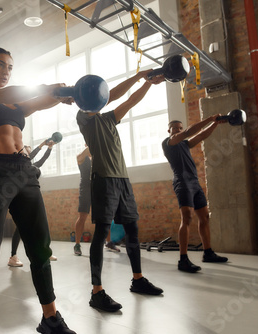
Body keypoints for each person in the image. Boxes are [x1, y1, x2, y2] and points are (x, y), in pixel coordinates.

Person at [0, 47, 76, 334]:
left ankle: (50, 318)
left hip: (24, 171)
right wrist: (46, 87)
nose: (6, 71)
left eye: (10, 67)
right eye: (1, 65)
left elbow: (38, 102)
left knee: (40, 248)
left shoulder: (15, 107)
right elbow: (10, 93)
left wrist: (62, 94)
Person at [76, 70, 164, 313]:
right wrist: (138, 75)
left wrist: (149, 82)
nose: (101, 98)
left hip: (122, 180)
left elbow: (131, 100)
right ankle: (97, 292)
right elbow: (113, 95)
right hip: (103, 180)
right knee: (101, 233)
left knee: (132, 229)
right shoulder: (84, 118)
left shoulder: (109, 119)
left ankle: (137, 280)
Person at [162, 117, 228, 273]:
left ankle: (208, 253)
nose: (178, 130)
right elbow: (188, 132)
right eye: (175, 128)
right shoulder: (168, 143)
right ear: (169, 131)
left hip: (194, 183)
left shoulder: (185, 144)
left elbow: (201, 135)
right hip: (182, 183)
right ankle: (183, 260)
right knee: (187, 218)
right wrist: (209, 118)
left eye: (179, 127)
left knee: (204, 217)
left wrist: (215, 124)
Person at [8, 140, 59, 267]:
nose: (29, 151)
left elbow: (43, 159)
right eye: (27, 149)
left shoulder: (34, 166)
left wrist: (49, 148)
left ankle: (44, 253)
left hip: (31, 200)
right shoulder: (20, 164)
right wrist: (41, 145)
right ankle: (13, 256)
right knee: (20, 229)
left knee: (39, 226)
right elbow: (31, 155)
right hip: (20, 199)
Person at [73, 146, 91, 256]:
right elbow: (82, 155)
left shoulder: (97, 157)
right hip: (85, 189)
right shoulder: (81, 156)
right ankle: (77, 244)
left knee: (103, 216)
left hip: (97, 188)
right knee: (82, 216)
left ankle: (108, 242)